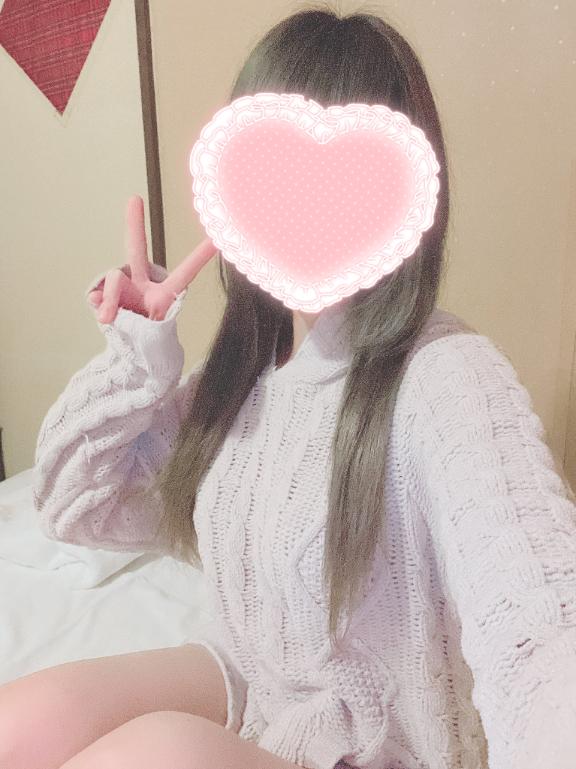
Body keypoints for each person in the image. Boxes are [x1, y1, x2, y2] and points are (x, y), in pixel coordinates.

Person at [2, 4, 576, 769]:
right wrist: (140, 361)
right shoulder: (246, 382)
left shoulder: (446, 376)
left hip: (385, 744)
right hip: (252, 677)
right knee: (22, 720)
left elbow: (539, 627)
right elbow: (77, 505)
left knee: (158, 752)